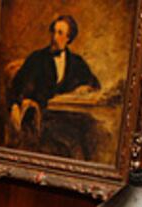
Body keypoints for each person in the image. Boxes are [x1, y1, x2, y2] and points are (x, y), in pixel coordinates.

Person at [6, 15, 102, 159]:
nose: (54, 37)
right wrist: (15, 105)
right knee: (71, 142)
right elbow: (17, 86)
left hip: (71, 116)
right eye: (53, 32)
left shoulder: (76, 62)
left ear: (69, 38)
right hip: (43, 118)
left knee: (95, 131)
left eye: (60, 33)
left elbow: (95, 84)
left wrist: (85, 88)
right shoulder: (37, 58)